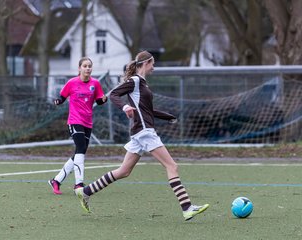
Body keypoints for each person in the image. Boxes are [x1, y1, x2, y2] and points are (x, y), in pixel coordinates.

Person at [75, 51, 209, 221]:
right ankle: (187, 207)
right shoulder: (136, 81)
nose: (154, 67)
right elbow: (114, 94)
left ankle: (86, 192)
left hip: (140, 131)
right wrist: (124, 107)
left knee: (124, 171)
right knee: (172, 166)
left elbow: (146, 110)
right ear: (146, 63)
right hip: (145, 132)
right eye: (153, 63)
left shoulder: (143, 83)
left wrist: (166, 116)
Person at [48, 57, 107, 195]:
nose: (87, 68)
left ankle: (56, 181)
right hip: (75, 121)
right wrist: (58, 101)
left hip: (88, 122)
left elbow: (99, 101)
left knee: (79, 153)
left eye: (89, 66)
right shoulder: (72, 83)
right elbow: (62, 97)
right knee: (80, 148)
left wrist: (103, 100)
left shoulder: (96, 84)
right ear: (79, 68)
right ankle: (78, 184)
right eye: (85, 66)